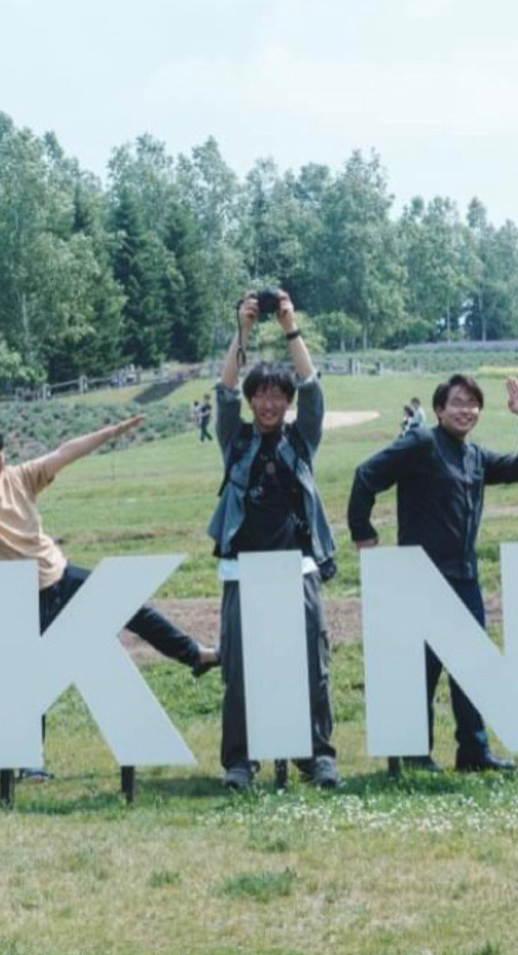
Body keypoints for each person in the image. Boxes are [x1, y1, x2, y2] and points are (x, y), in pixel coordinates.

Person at [0, 368, 217, 783]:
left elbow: (64, 453)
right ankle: (30, 762)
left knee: (131, 608)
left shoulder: (18, 478)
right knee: (24, 676)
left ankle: (194, 654)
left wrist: (110, 433)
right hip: (12, 600)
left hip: (59, 576)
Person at [348, 373, 518, 773]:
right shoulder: (421, 443)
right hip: (421, 577)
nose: (465, 410)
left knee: (471, 668)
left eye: (472, 404)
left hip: (464, 577)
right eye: (457, 402)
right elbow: (366, 475)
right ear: (439, 409)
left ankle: (474, 753)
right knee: (422, 669)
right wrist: (363, 532)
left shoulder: (475, 456)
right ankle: (415, 754)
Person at [209, 290, 340, 791]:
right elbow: (223, 391)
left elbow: (313, 385)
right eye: (260, 395)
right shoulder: (235, 440)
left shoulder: (302, 440)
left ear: (286, 403)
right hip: (242, 571)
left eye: (276, 396)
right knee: (239, 669)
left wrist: (290, 327)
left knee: (313, 661)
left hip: (299, 567)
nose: (267, 403)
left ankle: (317, 755)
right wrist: (241, 332)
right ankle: (240, 762)